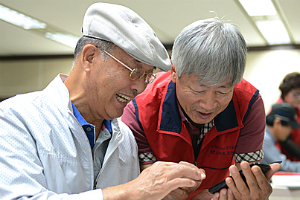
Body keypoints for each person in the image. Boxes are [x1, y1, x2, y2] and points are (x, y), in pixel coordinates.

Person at [0, 3, 206, 199]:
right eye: (134, 71)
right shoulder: (16, 119)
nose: (140, 88)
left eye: (147, 77)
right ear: (90, 57)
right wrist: (131, 192)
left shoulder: (125, 138)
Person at [122, 18, 281, 200]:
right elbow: (144, 186)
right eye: (198, 90)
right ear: (174, 72)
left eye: (222, 91)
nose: (209, 104)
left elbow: (245, 174)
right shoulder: (140, 106)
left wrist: (251, 194)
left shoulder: (248, 103)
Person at [262, 103, 300, 172]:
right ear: (278, 123)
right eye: (290, 127)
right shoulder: (264, 139)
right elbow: (283, 166)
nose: (291, 131)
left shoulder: (265, 135)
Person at [275, 72, 300, 161]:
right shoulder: (280, 110)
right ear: (285, 93)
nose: (299, 98)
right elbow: (284, 140)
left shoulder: (295, 107)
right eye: (296, 94)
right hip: (286, 160)